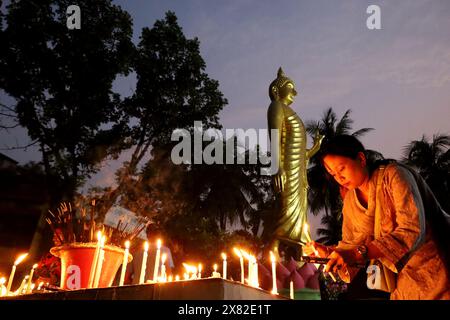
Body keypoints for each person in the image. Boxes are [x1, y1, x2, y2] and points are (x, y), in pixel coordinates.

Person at [304, 135, 450, 300]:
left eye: (342, 168)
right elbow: (351, 246)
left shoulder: (394, 176)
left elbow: (411, 230)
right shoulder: (351, 201)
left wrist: (356, 253)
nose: (339, 178)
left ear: (360, 158)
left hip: (438, 268)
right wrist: (330, 253)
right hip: (405, 282)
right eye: (333, 174)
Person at [266, 67, 323, 257]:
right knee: (286, 209)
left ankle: (302, 253)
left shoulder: (290, 112)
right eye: (290, 87)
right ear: (277, 90)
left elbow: (301, 154)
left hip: (299, 172)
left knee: (299, 211)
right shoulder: (276, 107)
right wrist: (277, 168)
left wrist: (315, 148)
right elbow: (274, 138)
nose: (294, 92)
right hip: (286, 170)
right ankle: (272, 250)